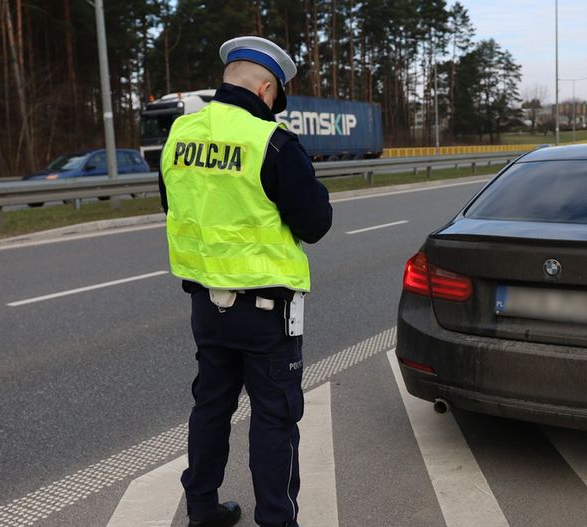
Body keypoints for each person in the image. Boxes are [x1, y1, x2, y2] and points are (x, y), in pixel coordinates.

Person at [158, 36, 332, 527]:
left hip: (205, 306)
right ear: (265, 89)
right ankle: (276, 520)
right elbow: (315, 224)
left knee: (211, 407)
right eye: (275, 97)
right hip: (265, 313)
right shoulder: (272, 141)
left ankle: (202, 509)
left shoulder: (180, 134)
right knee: (274, 415)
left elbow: (173, 204)